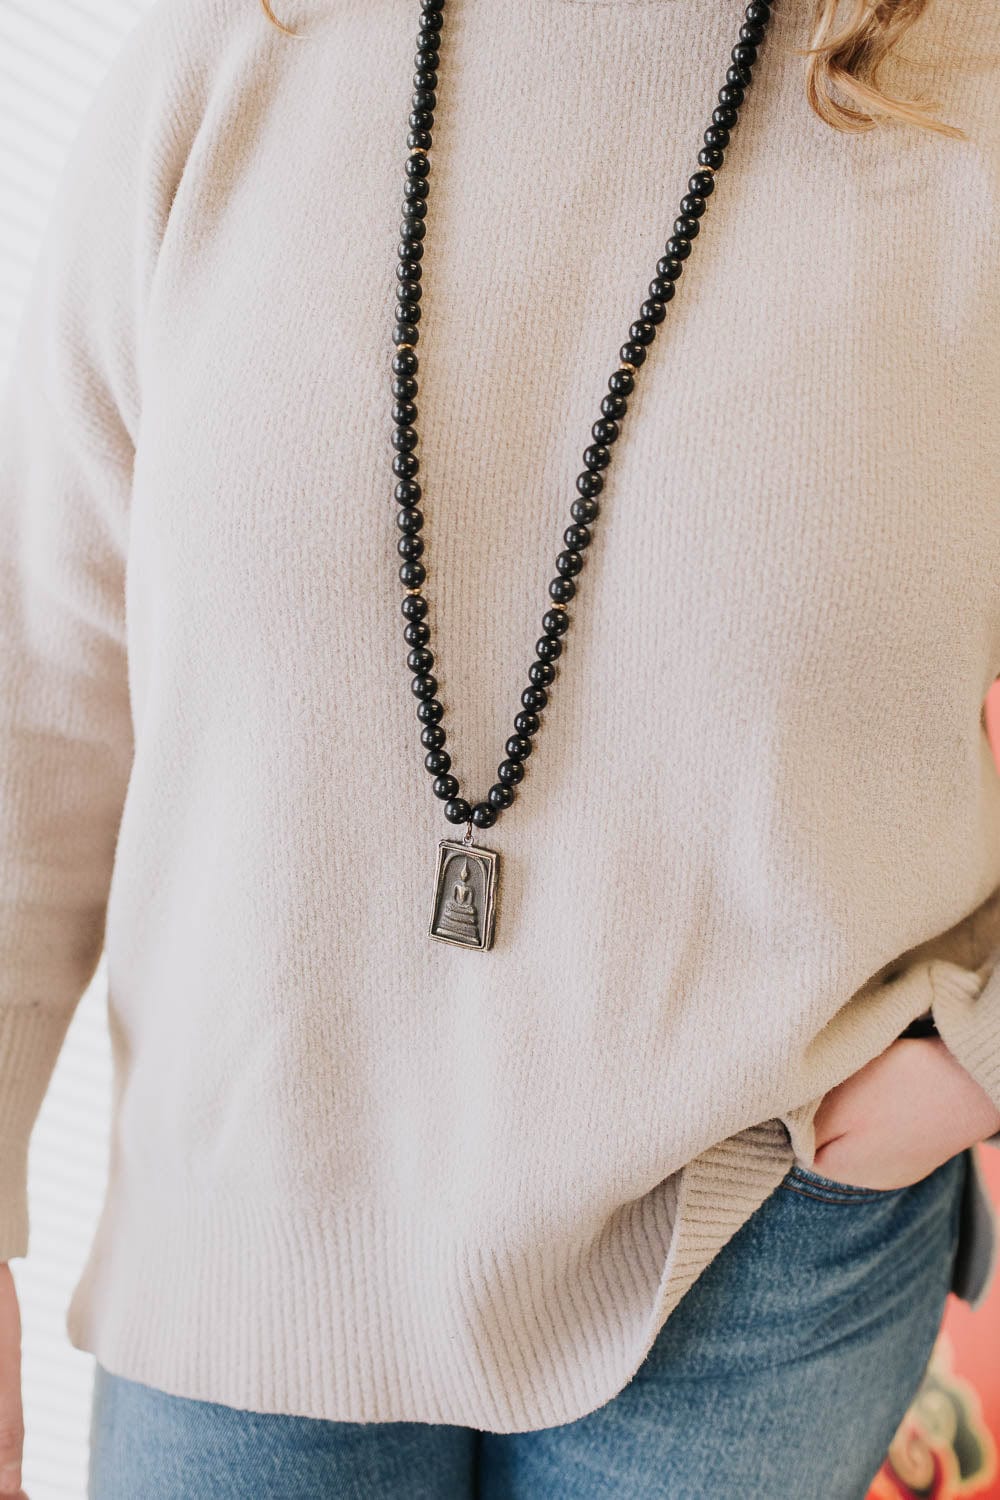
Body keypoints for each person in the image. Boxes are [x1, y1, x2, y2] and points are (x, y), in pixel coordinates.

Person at [1, 0, 999, 1493]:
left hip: (749, 1247)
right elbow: (36, 704)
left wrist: (977, 1059)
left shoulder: (966, 98)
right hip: (243, 1256)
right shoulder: (225, 59)